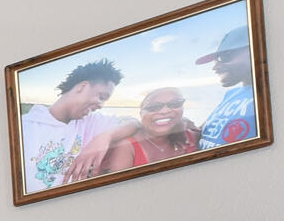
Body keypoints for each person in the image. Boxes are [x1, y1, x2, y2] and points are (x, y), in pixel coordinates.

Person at [20, 60, 124, 189]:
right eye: (101, 97)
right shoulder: (25, 127)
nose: (101, 105)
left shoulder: (88, 122)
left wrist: (106, 137)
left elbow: (134, 123)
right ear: (82, 87)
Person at [70, 85, 202, 178]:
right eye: (153, 107)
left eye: (175, 104)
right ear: (141, 113)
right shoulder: (126, 147)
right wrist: (105, 136)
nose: (165, 111)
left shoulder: (193, 136)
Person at [194, 23, 259, 148]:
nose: (215, 67)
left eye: (224, 56)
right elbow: (200, 131)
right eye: (216, 60)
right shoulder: (231, 94)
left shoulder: (267, 96)